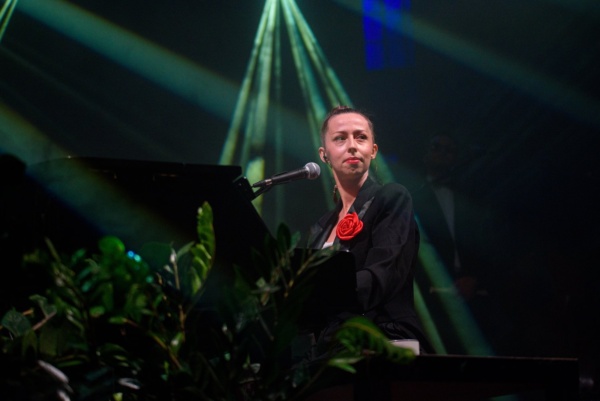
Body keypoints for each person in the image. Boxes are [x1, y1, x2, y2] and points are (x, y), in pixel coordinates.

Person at [307, 106, 430, 357]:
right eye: (340, 138)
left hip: (384, 337)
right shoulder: (321, 227)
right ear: (324, 154)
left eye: (361, 137)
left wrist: (320, 296)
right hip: (330, 348)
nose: (352, 146)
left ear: (373, 150)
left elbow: (384, 273)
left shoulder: (391, 198)